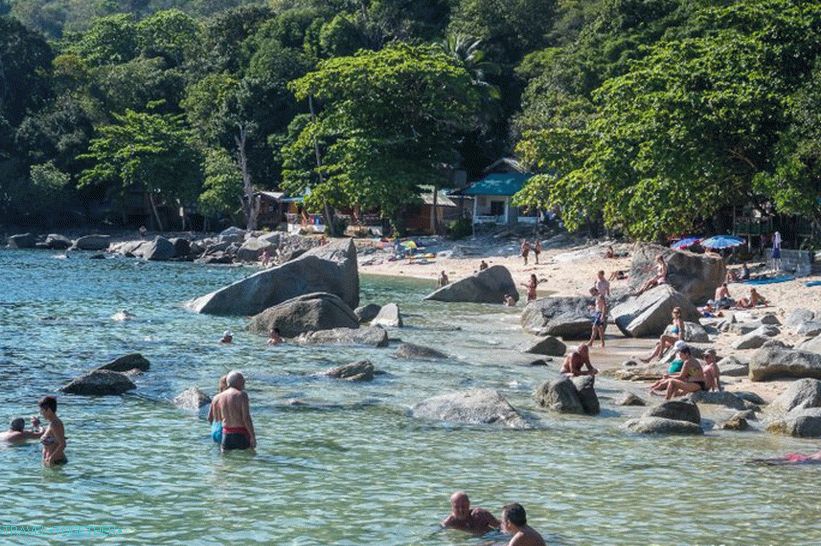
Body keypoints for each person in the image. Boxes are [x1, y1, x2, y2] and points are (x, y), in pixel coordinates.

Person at [213, 371, 256, 451]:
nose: (244, 383)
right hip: (241, 435)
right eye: (243, 381)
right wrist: (253, 436)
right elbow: (246, 418)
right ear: (238, 382)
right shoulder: (241, 395)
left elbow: (218, 419)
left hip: (226, 436)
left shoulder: (219, 397)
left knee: (226, 462)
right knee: (246, 461)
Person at [31, 396, 67, 466]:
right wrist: (37, 425)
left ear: (49, 410)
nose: (41, 413)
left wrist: (51, 459)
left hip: (56, 462)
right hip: (51, 462)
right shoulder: (51, 423)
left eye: (42, 410)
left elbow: (63, 444)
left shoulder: (55, 424)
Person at [208, 375, 229, 444]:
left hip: (215, 429)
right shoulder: (228, 399)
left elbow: (209, 418)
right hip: (224, 430)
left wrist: (214, 427)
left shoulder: (215, 398)